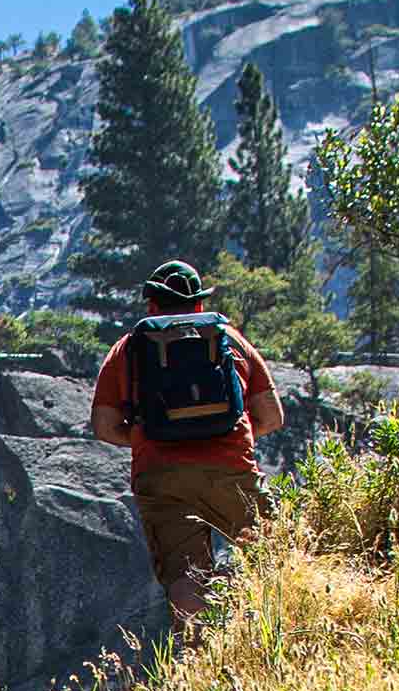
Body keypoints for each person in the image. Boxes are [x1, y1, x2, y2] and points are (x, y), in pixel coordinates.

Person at [89, 259, 285, 627]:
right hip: (230, 467)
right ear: (199, 304)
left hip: (162, 477)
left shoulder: (129, 349)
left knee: (186, 575)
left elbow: (103, 425)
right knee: (272, 553)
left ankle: (195, 655)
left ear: (152, 305)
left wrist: (146, 437)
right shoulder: (229, 340)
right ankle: (279, 638)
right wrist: (228, 433)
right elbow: (272, 416)